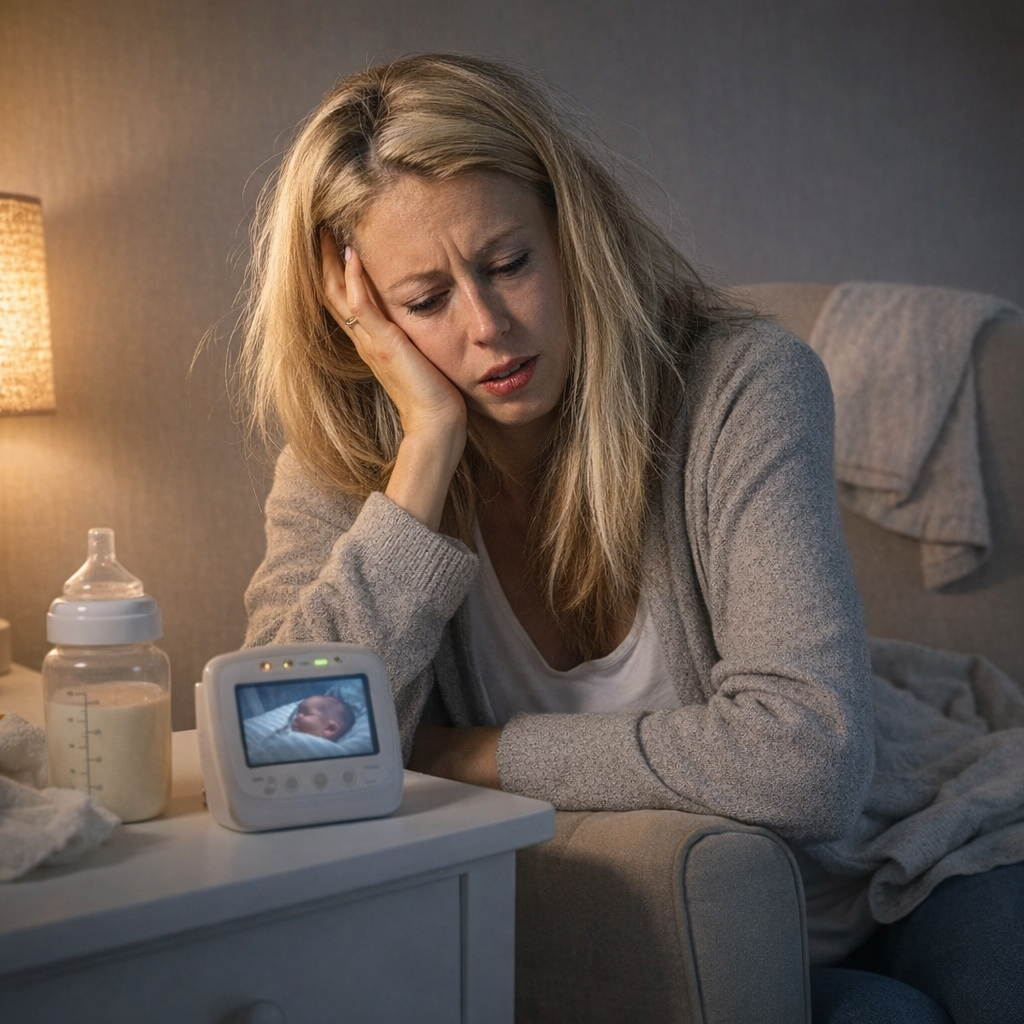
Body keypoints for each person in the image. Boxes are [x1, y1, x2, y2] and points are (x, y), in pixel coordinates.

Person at [237, 53, 1024, 1023]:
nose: (487, 326)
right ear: (361, 321)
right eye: (427, 300)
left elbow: (808, 764)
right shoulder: (348, 464)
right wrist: (426, 456)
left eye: (508, 263)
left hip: (929, 842)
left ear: (571, 232)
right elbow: (277, 747)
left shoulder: (740, 383)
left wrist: (459, 753)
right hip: (723, 919)